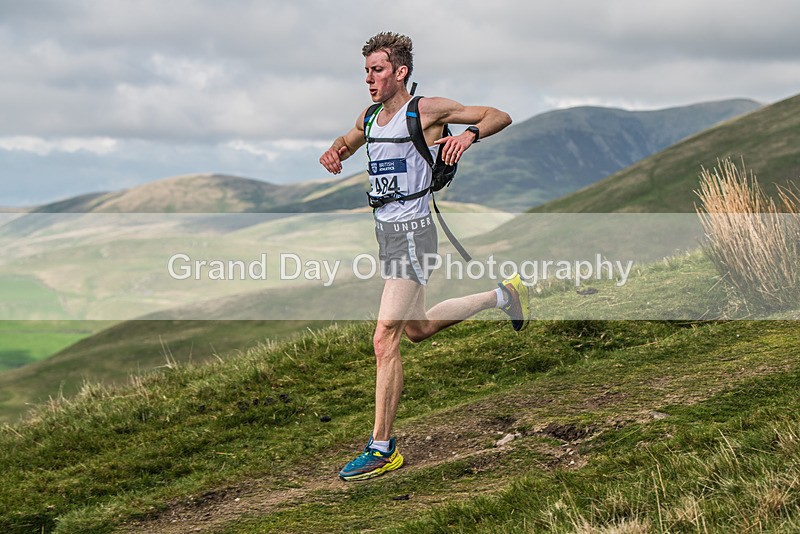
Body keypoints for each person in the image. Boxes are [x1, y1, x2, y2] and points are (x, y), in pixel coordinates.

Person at [319, 32, 529, 481]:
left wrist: (469, 135)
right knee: (417, 329)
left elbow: (500, 115)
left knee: (384, 338)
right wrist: (334, 151)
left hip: (415, 234)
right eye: (366, 72)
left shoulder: (426, 109)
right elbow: (349, 138)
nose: (369, 80)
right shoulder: (371, 116)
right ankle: (504, 295)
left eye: (377, 70)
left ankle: (382, 447)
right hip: (387, 235)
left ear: (401, 72)